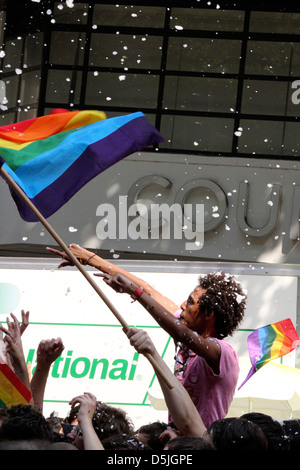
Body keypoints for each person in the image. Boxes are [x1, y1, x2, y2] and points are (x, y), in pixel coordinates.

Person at [47, 244, 247, 428]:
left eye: (190, 301)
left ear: (209, 314)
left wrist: (135, 292)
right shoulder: (186, 327)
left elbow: (180, 332)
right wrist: (90, 259)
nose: (182, 305)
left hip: (201, 444)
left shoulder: (223, 353)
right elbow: (148, 290)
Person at [125, 327, 268, 451]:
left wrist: (153, 353)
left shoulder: (224, 350)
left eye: (206, 440)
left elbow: (188, 422)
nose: (181, 313)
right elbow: (187, 422)